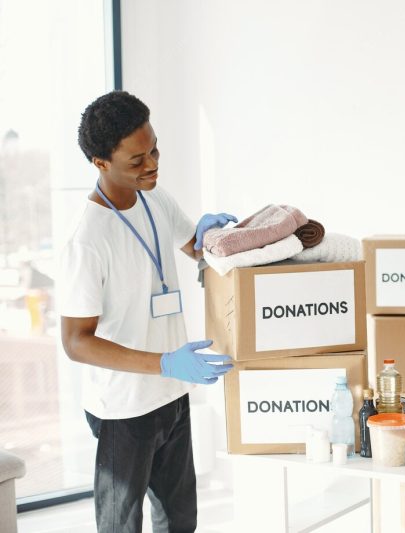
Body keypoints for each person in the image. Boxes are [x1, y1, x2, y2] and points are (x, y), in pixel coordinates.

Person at [59, 91, 237, 532]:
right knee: (121, 526)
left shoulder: (155, 198)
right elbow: (75, 341)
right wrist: (164, 362)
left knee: (180, 521)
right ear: (101, 162)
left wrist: (210, 239)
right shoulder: (87, 240)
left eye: (154, 149)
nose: (152, 164)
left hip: (172, 394)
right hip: (124, 408)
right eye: (136, 160)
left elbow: (192, 248)